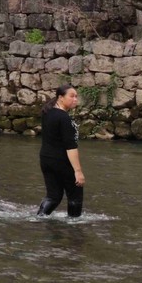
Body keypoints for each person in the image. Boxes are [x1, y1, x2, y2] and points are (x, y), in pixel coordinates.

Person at [37, 85, 84, 218]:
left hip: (46, 159)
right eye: (72, 96)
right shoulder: (64, 118)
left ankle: (39, 218)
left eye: (76, 96)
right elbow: (71, 147)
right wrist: (78, 171)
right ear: (60, 97)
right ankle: (74, 226)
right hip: (62, 161)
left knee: (53, 196)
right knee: (75, 197)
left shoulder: (48, 112)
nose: (75, 99)